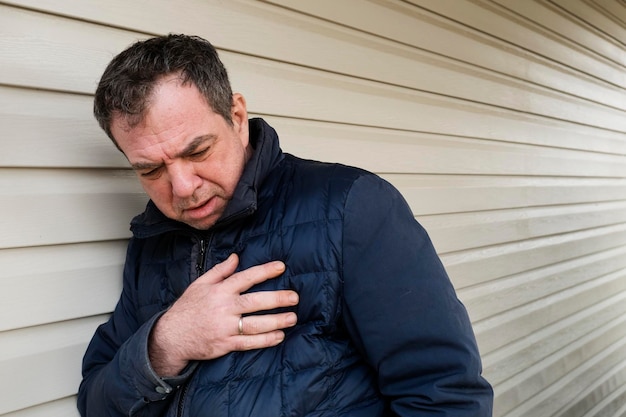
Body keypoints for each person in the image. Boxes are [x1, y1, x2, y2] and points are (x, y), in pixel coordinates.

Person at [78, 34, 493, 416]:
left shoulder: (351, 206)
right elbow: (96, 401)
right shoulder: (152, 240)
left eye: (199, 151)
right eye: (151, 170)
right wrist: (166, 343)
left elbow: (445, 396)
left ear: (237, 116)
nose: (183, 188)